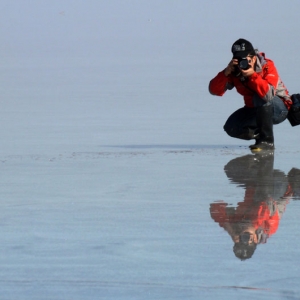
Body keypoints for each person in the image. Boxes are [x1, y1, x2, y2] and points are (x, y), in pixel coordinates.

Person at [209, 38, 293, 151]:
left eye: (244, 59)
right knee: (231, 127)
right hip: (254, 108)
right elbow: (214, 91)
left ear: (253, 58)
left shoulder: (266, 65)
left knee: (259, 96)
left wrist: (252, 75)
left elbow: (268, 95)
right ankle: (259, 135)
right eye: (237, 58)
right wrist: (225, 74)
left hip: (279, 109)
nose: (241, 63)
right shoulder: (234, 70)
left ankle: (267, 141)